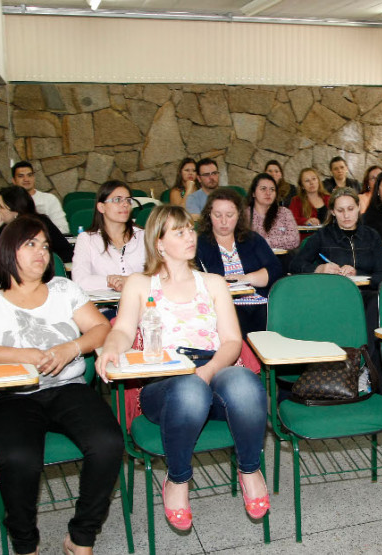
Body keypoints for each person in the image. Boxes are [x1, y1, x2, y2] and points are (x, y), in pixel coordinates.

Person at [0, 216, 121, 555]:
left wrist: (72, 347)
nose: (41, 252)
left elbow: (101, 329)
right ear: (8, 249)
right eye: (31, 244)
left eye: (44, 245)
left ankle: (81, 537)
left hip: (67, 388)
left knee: (109, 443)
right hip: (10, 394)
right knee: (20, 458)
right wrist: (21, 354)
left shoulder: (63, 288)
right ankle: (26, 544)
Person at [96, 205, 269, 532]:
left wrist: (209, 370)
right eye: (179, 231)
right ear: (159, 243)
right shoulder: (139, 284)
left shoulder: (214, 283)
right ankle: (177, 479)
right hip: (163, 384)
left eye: (190, 229)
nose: (190, 236)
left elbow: (232, 342)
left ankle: (249, 468)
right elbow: (122, 330)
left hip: (212, 369)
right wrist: (109, 348)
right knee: (189, 389)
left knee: (243, 382)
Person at [291, 187, 382, 382]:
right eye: (341, 210)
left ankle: (370, 372)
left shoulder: (371, 236)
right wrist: (320, 269)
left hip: (365, 294)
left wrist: (358, 273)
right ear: (333, 212)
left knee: (375, 306)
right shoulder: (323, 236)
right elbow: (295, 264)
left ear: (359, 208)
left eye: (350, 209)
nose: (346, 215)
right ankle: (355, 370)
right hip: (333, 296)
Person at [196, 187, 282, 336]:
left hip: (261, 304)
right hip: (224, 307)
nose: (224, 221)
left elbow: (275, 270)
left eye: (230, 215)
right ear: (208, 215)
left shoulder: (253, 239)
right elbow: (195, 278)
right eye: (217, 215)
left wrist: (245, 279)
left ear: (239, 215)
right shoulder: (199, 243)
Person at [71, 180, 146, 294]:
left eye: (128, 200)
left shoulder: (144, 236)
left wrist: (128, 280)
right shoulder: (86, 239)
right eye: (117, 200)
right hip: (106, 307)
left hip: (143, 304)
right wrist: (111, 281)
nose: (125, 204)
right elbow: (79, 280)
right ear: (101, 207)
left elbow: (160, 275)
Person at [0, 186, 74, 264]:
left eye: (1, 207)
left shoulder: (41, 224)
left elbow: (67, 253)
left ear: (15, 211)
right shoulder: (3, 227)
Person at [12, 161, 69, 235]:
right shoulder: (6, 202)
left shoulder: (49, 199)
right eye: (21, 176)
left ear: (34, 177)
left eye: (29, 175)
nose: (26, 179)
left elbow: (63, 229)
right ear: (13, 180)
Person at [246, 172, 299, 251]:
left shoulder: (284, 213)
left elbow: (294, 240)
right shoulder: (244, 214)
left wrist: (263, 242)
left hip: (281, 260)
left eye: (272, 189)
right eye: (263, 189)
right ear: (253, 193)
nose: (268, 193)